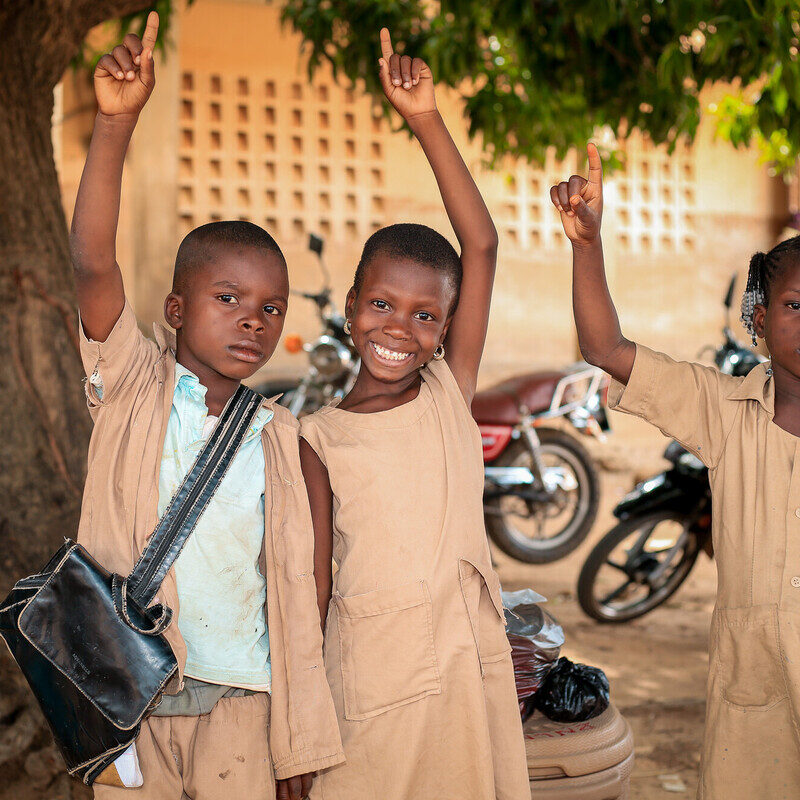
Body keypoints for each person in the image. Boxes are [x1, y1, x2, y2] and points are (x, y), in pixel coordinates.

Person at [71, 13, 343, 799]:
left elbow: (306, 590)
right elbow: (92, 263)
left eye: (270, 307)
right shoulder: (131, 387)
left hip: (244, 709)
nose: (253, 320)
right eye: (229, 298)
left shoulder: (285, 439)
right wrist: (116, 123)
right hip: (132, 700)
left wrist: (296, 734)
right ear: (177, 308)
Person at [298, 28, 530, 800]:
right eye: (381, 305)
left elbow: (482, 244)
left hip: (468, 672)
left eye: (426, 316)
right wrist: (300, 727)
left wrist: (426, 120)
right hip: (369, 690)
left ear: (446, 327)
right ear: (353, 304)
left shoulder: (445, 394)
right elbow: (312, 591)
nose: (399, 329)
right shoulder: (316, 439)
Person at [551, 143, 800, 799]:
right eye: (796, 305)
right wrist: (587, 244)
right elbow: (605, 347)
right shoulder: (725, 409)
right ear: (759, 321)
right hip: (757, 691)